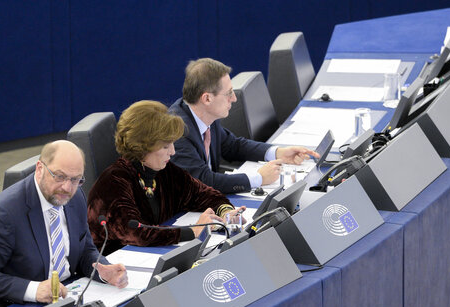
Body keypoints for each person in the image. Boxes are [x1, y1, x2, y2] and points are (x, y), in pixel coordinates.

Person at [0, 140, 128, 307]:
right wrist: (35, 290)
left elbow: (85, 250)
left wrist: (104, 271)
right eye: (59, 176)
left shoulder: (75, 196)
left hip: (66, 297)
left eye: (75, 179)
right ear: (40, 169)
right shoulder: (4, 213)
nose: (67, 187)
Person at [88, 100, 243, 254]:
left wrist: (226, 212)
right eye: (165, 146)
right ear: (143, 147)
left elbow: (202, 194)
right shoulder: (113, 182)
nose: (173, 152)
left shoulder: (164, 170)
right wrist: (192, 231)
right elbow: (137, 233)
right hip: (113, 266)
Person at [169, 57, 318, 194]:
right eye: (229, 93)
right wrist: (258, 178)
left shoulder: (205, 115)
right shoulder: (177, 132)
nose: (234, 99)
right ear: (207, 98)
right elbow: (203, 181)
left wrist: (278, 152)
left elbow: (233, 146)